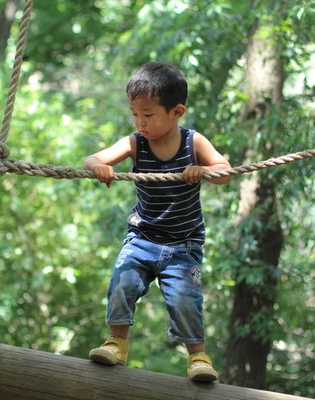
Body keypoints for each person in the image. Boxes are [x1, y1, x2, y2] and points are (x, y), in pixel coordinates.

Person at [82, 62, 232, 382]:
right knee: (122, 281)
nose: (140, 122)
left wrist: (204, 170)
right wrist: (100, 167)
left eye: (148, 115)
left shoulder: (194, 142)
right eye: (135, 113)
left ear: (176, 112)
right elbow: (92, 159)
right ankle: (117, 342)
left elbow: (225, 172)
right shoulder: (136, 143)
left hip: (183, 243)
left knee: (184, 299)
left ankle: (198, 357)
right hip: (142, 237)